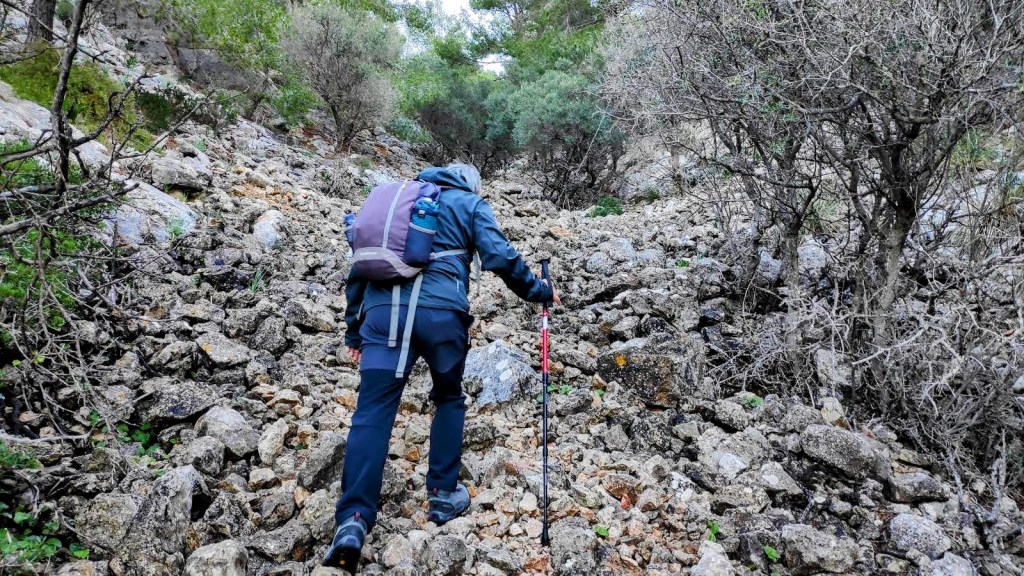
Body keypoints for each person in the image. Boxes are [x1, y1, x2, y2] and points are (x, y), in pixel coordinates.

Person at [324, 163, 560, 569]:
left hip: (382, 316)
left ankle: (353, 520)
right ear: (469, 183)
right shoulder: (470, 204)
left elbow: (360, 269)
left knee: (372, 414)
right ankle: (442, 496)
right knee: (448, 398)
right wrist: (539, 291)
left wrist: (353, 331)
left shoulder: (398, 203)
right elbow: (500, 257)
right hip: (441, 318)